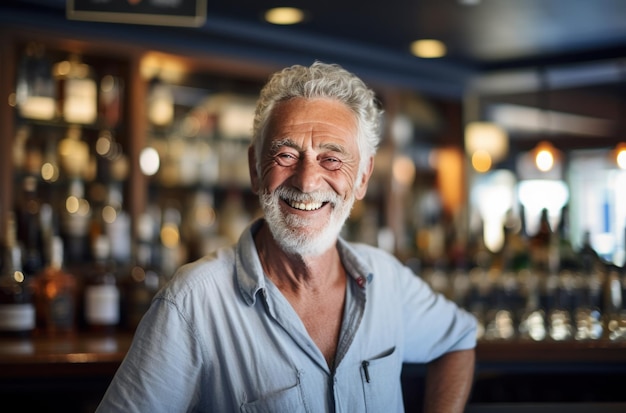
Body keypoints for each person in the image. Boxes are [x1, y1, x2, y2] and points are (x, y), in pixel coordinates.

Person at [95, 61, 477, 413]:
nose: (307, 181)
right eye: (286, 156)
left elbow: (459, 338)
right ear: (254, 169)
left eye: (332, 158)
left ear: (362, 178)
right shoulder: (193, 301)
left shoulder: (387, 279)